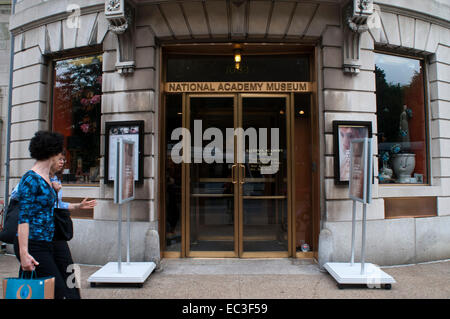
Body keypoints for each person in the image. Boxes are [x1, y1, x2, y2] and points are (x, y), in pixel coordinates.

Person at [13, 131, 67, 298]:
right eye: (58, 151)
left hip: (47, 242)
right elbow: (24, 217)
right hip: (33, 244)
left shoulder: (46, 177)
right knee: (57, 290)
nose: (60, 155)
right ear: (52, 152)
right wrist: (23, 253)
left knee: (49, 291)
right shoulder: (30, 179)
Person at [50, 152, 96, 299]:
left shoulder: (55, 179)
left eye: (64, 159)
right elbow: (19, 197)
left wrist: (78, 206)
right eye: (59, 158)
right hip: (40, 235)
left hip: (56, 232)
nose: (62, 162)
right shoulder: (36, 178)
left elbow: (58, 205)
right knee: (48, 274)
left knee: (68, 269)